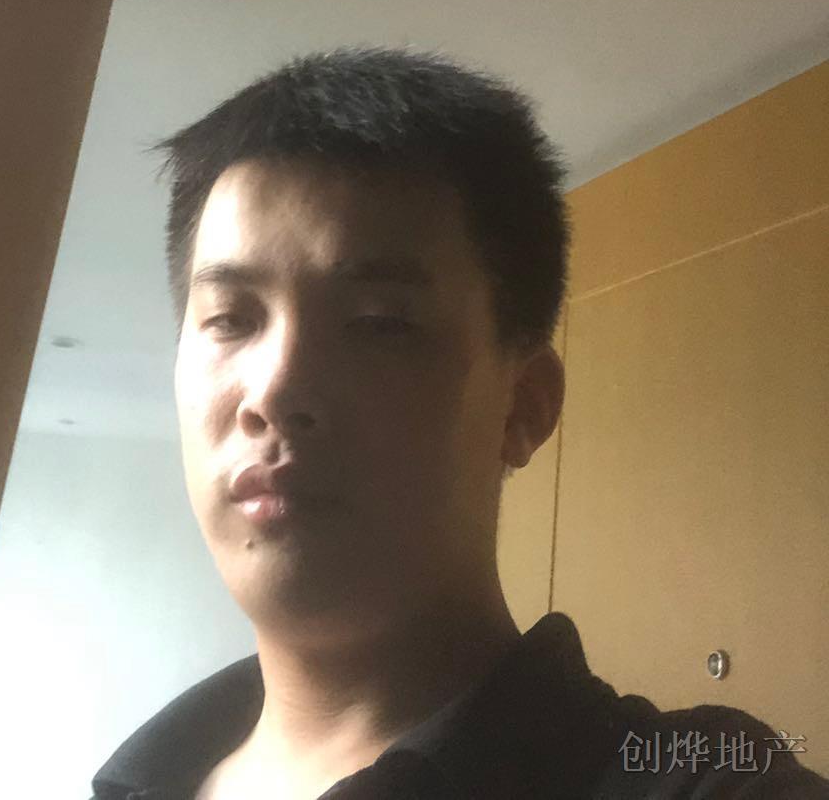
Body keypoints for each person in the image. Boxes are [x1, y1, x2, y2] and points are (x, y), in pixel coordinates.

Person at [91, 45, 827, 800]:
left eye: (380, 322)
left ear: (525, 406)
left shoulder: (699, 785)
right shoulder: (140, 781)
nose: (275, 390)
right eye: (230, 318)